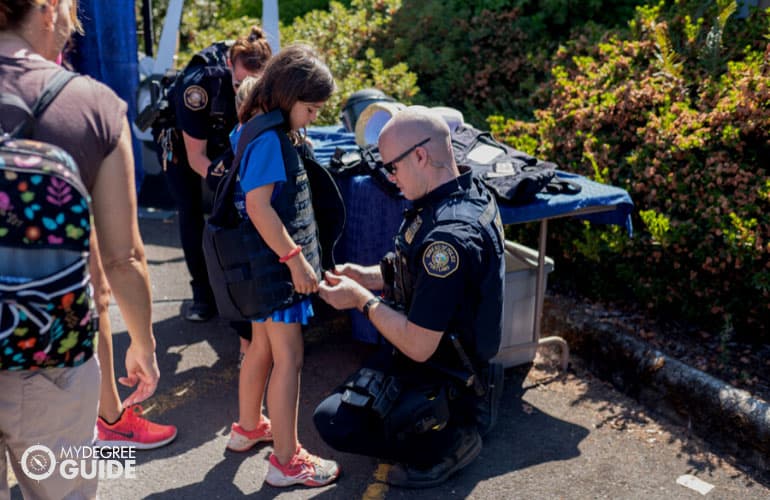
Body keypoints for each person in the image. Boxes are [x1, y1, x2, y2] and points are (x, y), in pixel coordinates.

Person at [0, 0, 167, 497]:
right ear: (49, 10)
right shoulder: (92, 105)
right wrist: (143, 344)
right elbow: (123, 258)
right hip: (51, 356)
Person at [315, 106, 506, 488]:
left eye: (392, 167)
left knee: (335, 422)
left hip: (441, 360)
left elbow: (419, 345)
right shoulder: (461, 191)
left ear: (420, 155)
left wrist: (361, 301)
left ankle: (451, 439)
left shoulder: (447, 240)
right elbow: (412, 270)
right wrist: (365, 277)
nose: (389, 177)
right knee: (340, 406)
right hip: (436, 336)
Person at [223, 43, 340, 488]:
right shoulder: (272, 139)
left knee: (261, 347)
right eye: (311, 109)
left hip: (255, 266)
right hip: (275, 268)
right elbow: (259, 207)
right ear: (290, 97)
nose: (313, 119)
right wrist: (296, 262)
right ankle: (287, 461)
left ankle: (249, 427)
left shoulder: (253, 126)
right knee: (289, 356)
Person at [159, 26, 271, 322]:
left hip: (224, 135)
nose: (246, 95)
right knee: (192, 210)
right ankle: (202, 294)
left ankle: (243, 285)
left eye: (254, 88)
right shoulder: (198, 87)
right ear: (229, 67)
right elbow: (196, 156)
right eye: (240, 85)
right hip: (184, 142)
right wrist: (224, 182)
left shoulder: (270, 78)